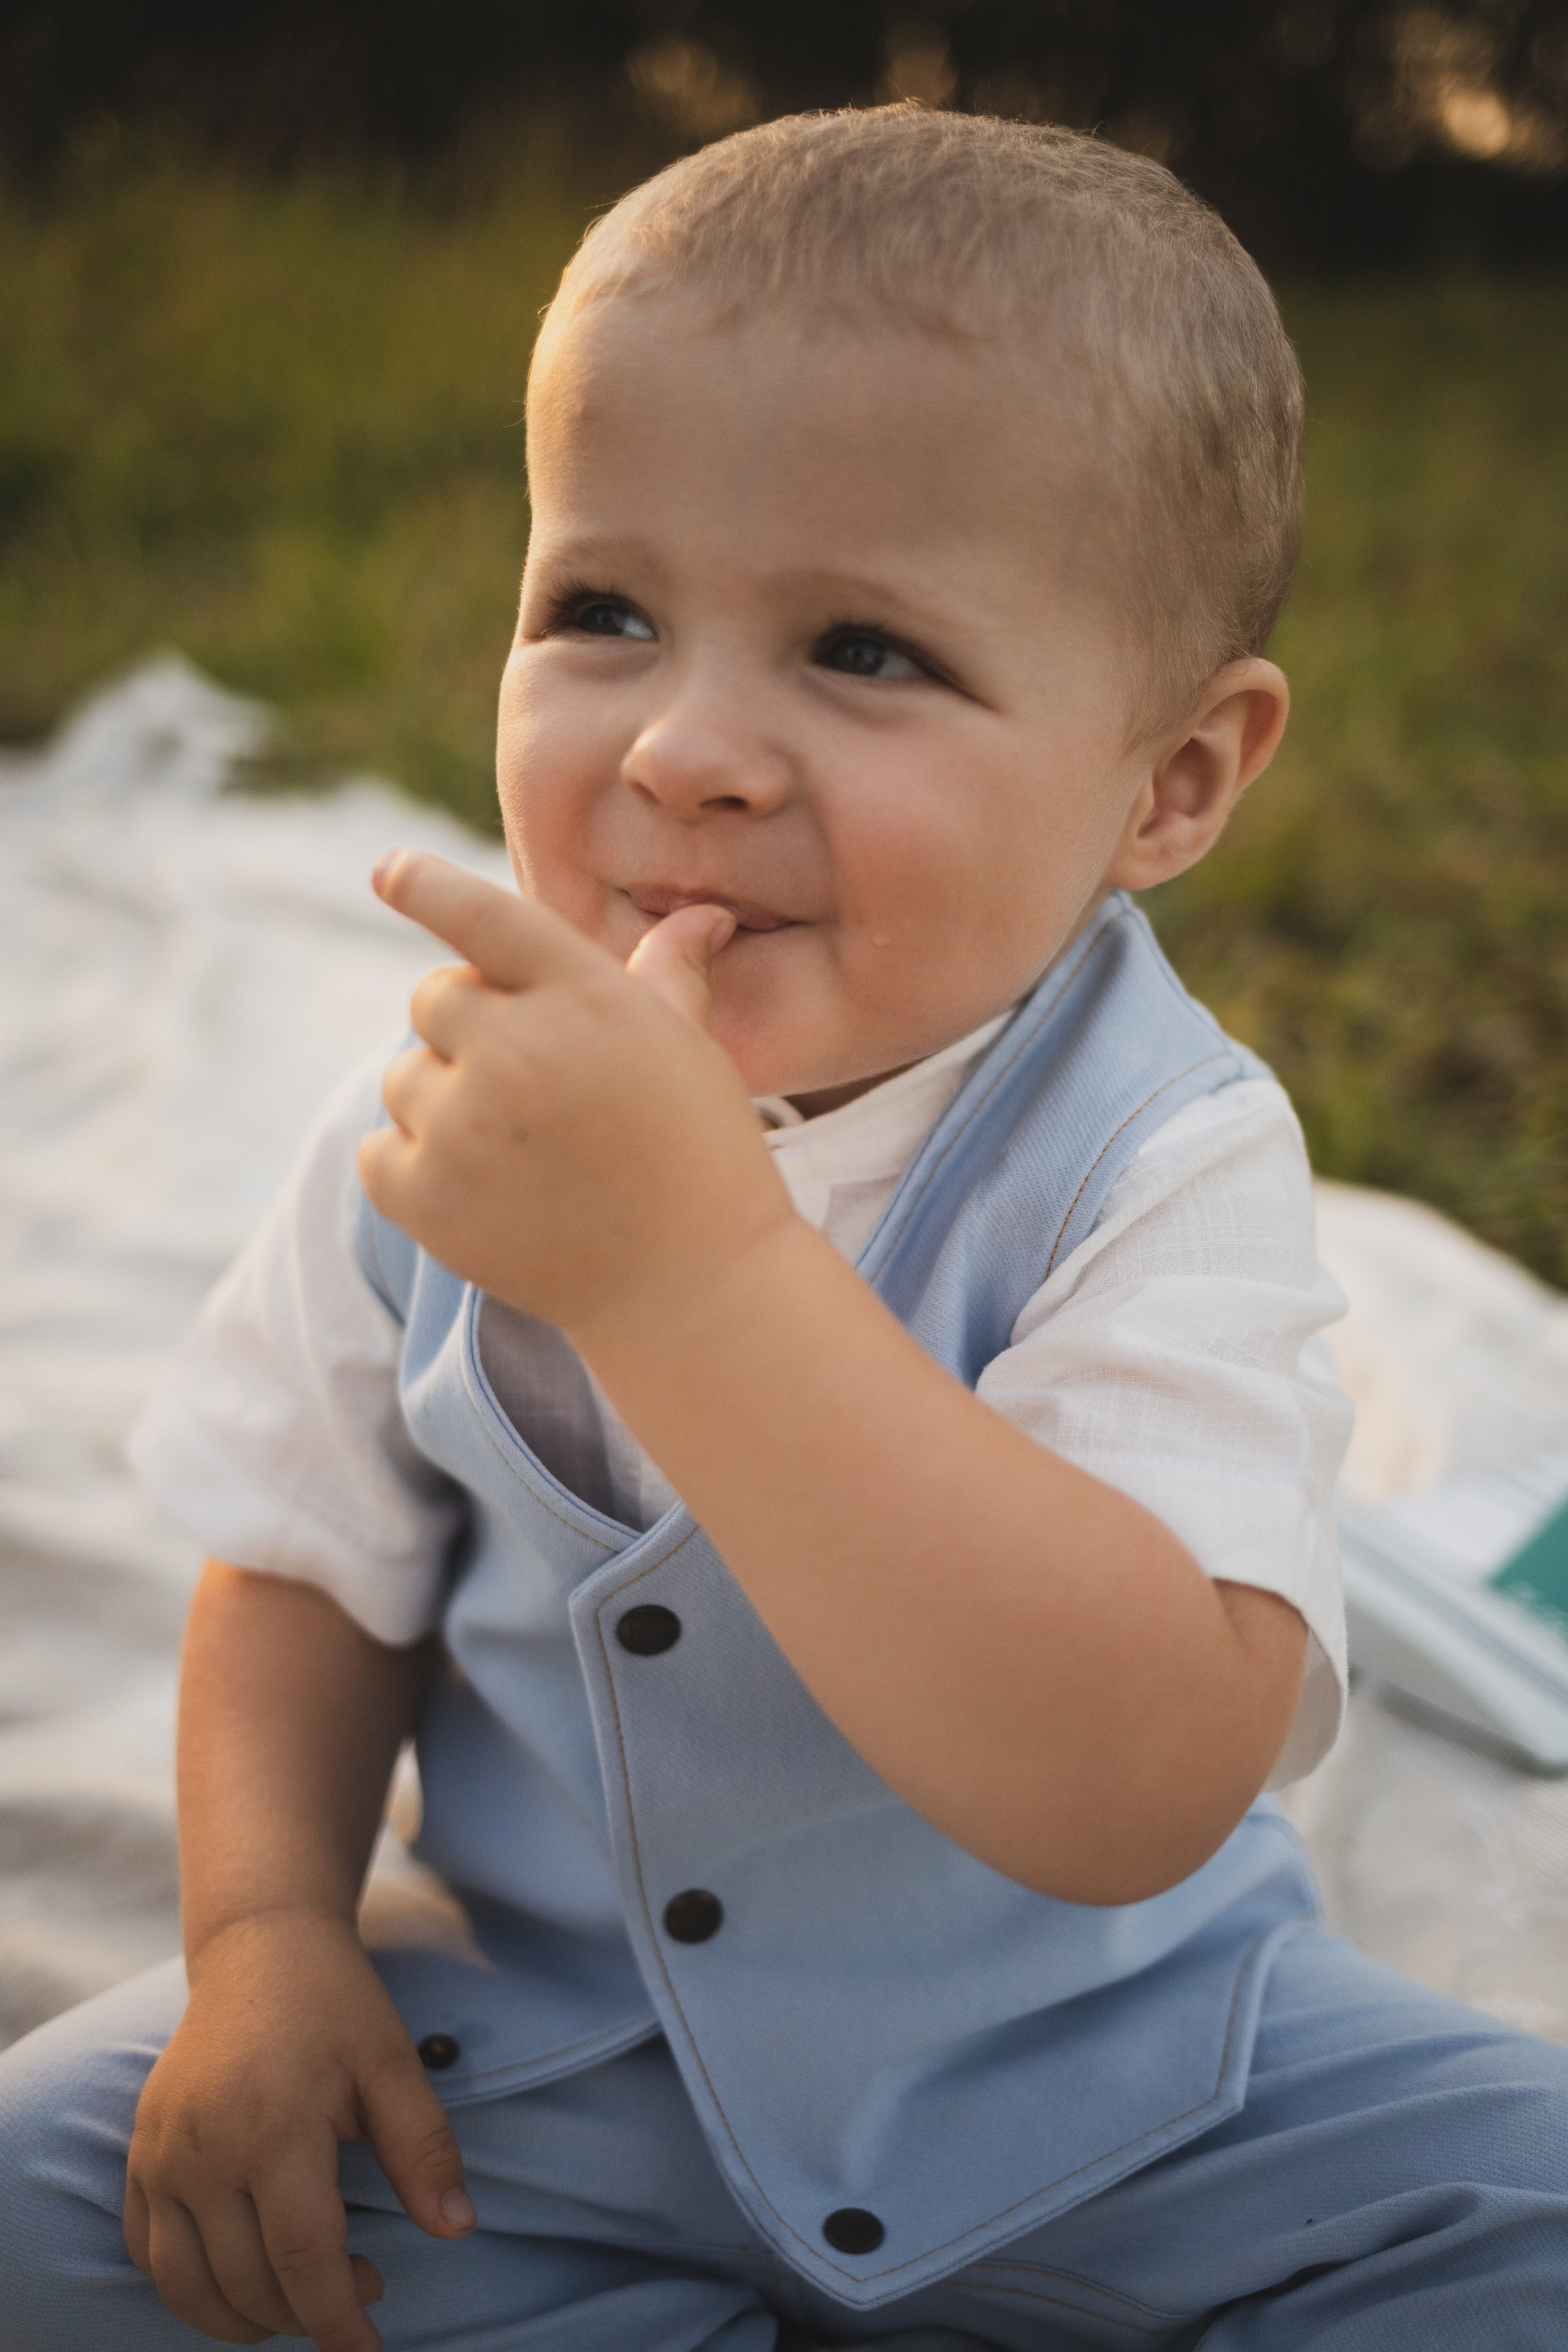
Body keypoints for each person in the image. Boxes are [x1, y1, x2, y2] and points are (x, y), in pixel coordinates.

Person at [2, 104, 1564, 2352]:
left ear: (1172, 781)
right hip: (547, 2073)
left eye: (863, 651)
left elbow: (1126, 1784)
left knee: (1533, 2207)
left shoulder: (1164, 1159)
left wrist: (690, 1275)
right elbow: (298, 1568)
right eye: (603, 612)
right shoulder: (444, 1115)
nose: (687, 750)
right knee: (69, 2198)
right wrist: (268, 1940)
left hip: (1125, 2086)